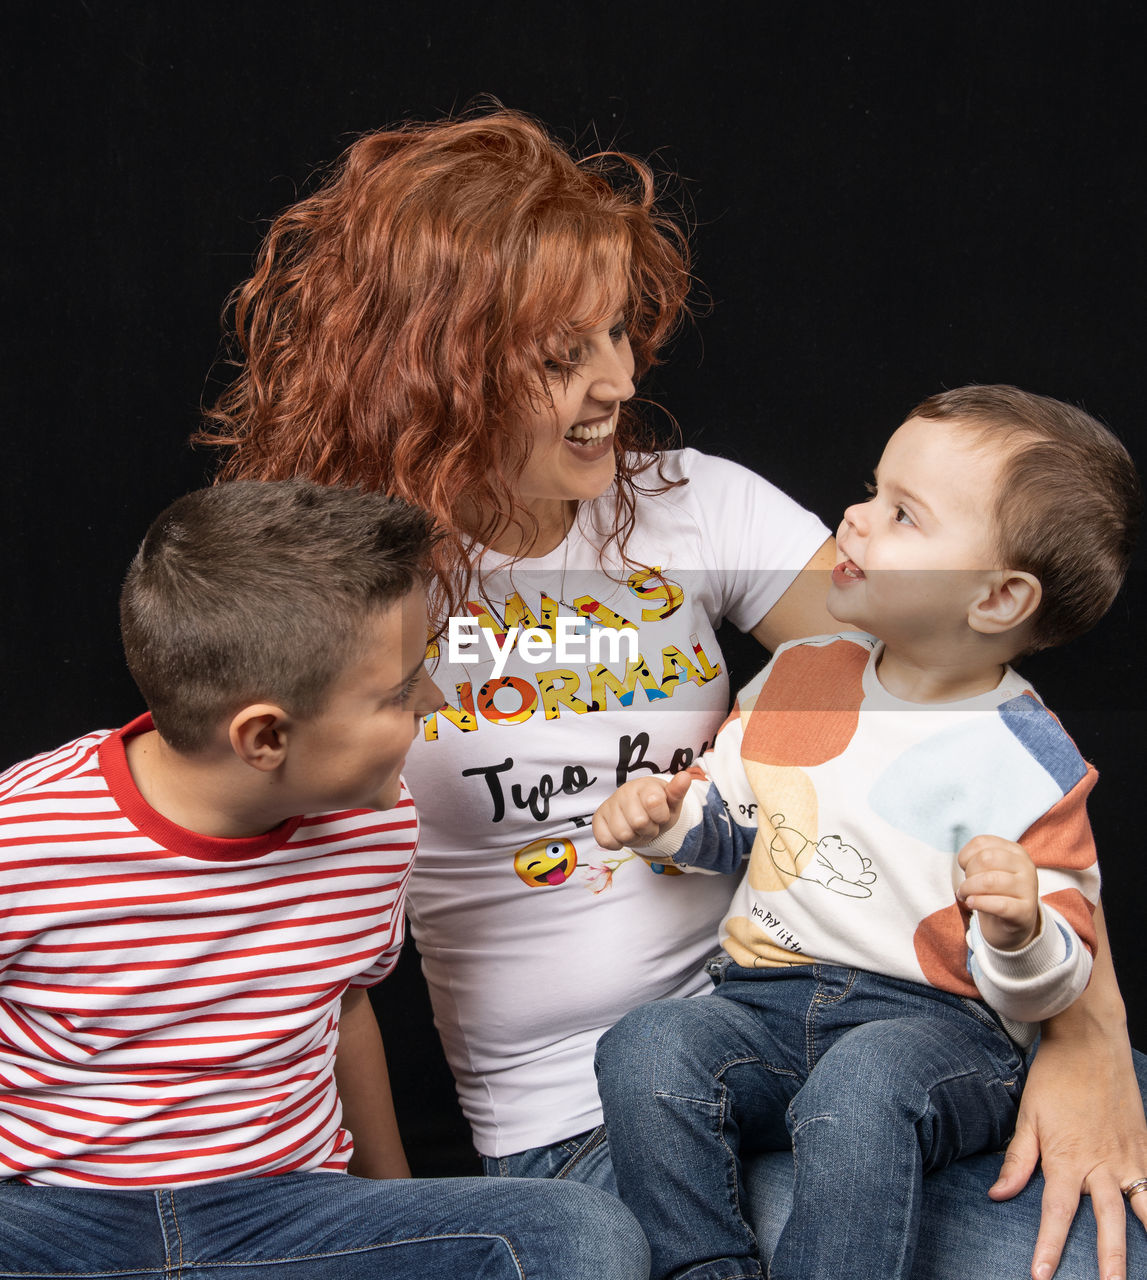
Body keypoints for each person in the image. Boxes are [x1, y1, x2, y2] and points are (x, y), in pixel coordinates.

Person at [197, 107, 1147, 1280]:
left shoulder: (693, 506)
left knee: (1116, 1214)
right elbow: (295, 946)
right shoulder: (349, 596)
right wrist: (389, 1218)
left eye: (612, 331)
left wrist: (1087, 1032)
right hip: (596, 1112)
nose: (619, 377)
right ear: (433, 365)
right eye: (562, 355)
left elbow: (962, 704)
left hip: (846, 1021)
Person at [0, 479, 652, 1280]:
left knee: (580, 1234)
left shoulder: (376, 825)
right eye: (398, 691)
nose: (436, 697)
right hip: (56, 1217)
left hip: (284, 1213)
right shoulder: (25, 834)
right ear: (265, 736)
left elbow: (345, 1004)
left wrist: (398, 1209)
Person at [591, 385, 1139, 1279]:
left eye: (901, 514)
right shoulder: (799, 674)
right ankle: (704, 1268)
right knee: (646, 1044)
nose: (852, 517)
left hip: (939, 1031)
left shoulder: (1029, 760)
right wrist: (665, 819)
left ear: (997, 598)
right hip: (763, 1005)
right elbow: (734, 827)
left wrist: (1020, 929)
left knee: (865, 1080)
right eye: (870, 490)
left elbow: (1054, 984)